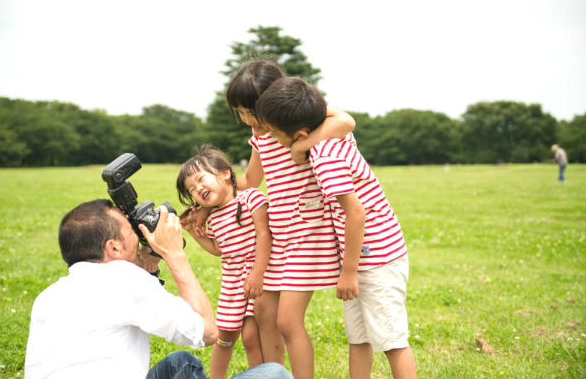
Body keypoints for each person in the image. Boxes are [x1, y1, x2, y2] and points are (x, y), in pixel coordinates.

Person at [256, 76, 417, 379]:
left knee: (393, 342)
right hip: (361, 254)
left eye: (275, 133)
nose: (273, 139)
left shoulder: (324, 157)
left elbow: (356, 213)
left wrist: (349, 271)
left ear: (301, 132)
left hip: (377, 256)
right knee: (359, 338)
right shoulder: (328, 134)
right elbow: (339, 117)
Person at [24, 199, 292, 379]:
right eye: (131, 229)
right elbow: (207, 332)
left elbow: (129, 304)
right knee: (273, 374)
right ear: (114, 247)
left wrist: (149, 263)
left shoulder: (50, 295)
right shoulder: (125, 279)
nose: (138, 233)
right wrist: (175, 254)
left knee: (182, 364)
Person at [222, 59, 355, 379]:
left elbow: (346, 121)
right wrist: (212, 191)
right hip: (279, 236)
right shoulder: (261, 139)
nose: (245, 120)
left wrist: (305, 144)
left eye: (248, 111)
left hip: (309, 235)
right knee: (265, 310)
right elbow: (250, 181)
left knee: (287, 321)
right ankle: (273, 375)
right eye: (239, 112)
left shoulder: (297, 125)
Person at [177, 146, 275, 379]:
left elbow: (264, 235)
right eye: (192, 189)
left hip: (256, 277)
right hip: (232, 283)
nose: (198, 188)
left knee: (251, 336)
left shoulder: (252, 198)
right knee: (224, 336)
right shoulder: (214, 216)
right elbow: (220, 249)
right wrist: (193, 231)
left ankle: (262, 375)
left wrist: (257, 273)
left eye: (201, 179)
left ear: (224, 173)